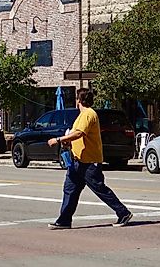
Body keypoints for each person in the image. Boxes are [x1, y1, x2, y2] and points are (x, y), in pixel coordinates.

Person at [46, 88, 132, 229]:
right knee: (70, 190)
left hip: (89, 162)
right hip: (77, 161)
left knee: (100, 189)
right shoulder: (82, 116)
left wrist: (59, 139)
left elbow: (79, 133)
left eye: (76, 98)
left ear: (79, 100)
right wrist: (69, 143)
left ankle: (123, 213)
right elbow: (77, 135)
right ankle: (64, 221)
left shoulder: (88, 114)